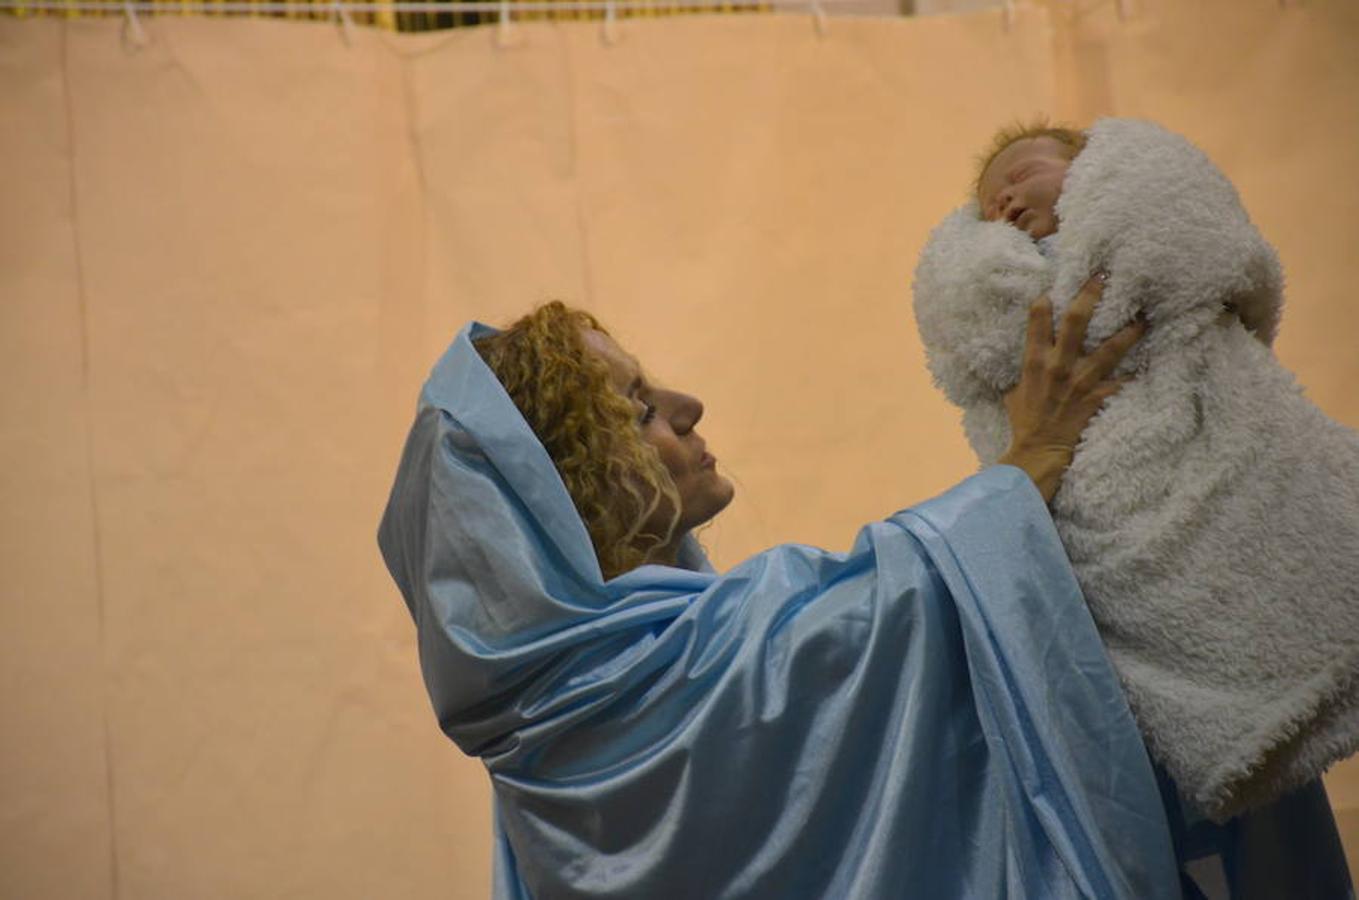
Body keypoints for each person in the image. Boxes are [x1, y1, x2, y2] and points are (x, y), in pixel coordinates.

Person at [376, 280, 1185, 898]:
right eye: (634, 411)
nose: (687, 408)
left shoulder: (547, 758)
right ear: (560, 503)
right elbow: (888, 610)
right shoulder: (691, 679)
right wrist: (1032, 459)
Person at [914, 117, 1357, 899]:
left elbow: (1200, 257)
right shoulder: (1004, 312)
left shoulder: (1150, 239)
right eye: (990, 199)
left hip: (1224, 477)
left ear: (1097, 177)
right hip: (1106, 549)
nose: (1006, 195)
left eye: (1026, 170)